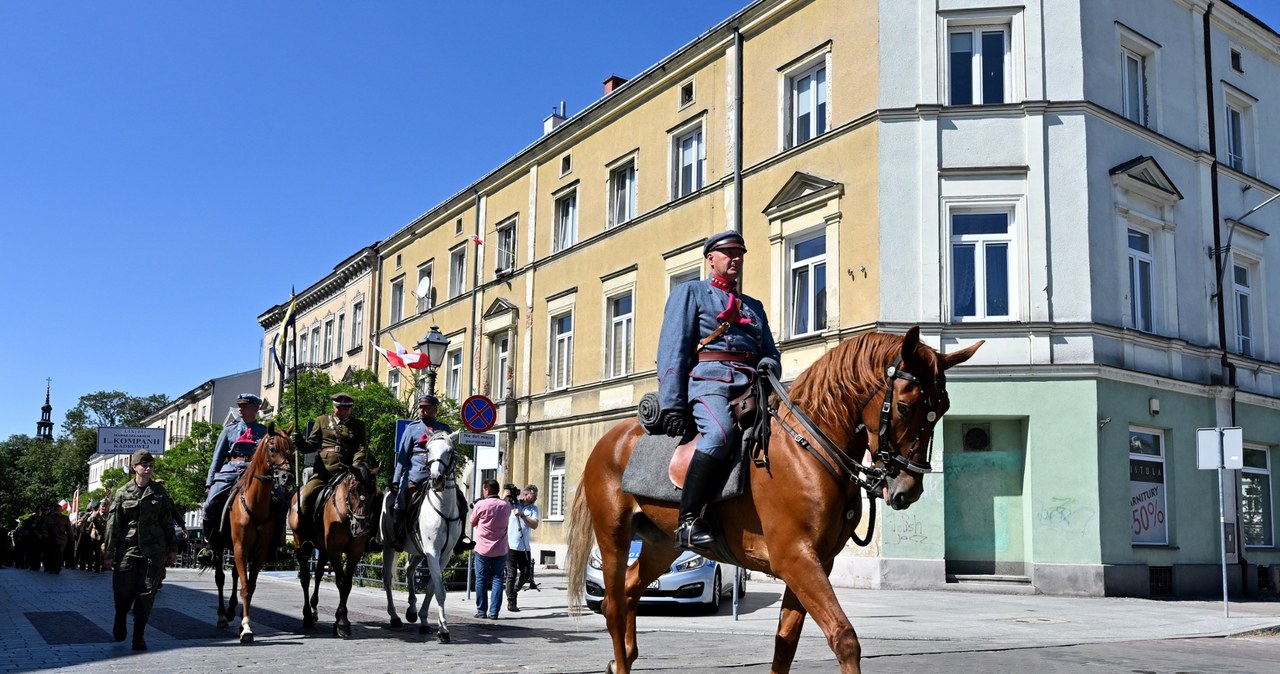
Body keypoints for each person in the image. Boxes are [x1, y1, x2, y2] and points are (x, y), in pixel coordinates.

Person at [656, 231, 780, 551]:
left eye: (740, 252)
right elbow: (673, 348)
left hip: (753, 385)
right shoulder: (692, 293)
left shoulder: (753, 307)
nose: (735, 257)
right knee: (720, 433)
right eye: (727, 252)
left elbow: (770, 352)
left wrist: (768, 366)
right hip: (710, 382)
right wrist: (672, 403)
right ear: (711, 258)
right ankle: (688, 521)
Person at [103, 449, 179, 651]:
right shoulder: (122, 492)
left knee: (147, 594)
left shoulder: (159, 492)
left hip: (153, 551)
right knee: (123, 592)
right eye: (144, 465)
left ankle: (139, 635)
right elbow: (113, 525)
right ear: (134, 467)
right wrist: (109, 553)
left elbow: (167, 524)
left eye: (151, 466)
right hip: (127, 551)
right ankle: (120, 617)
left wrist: (172, 549)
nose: (148, 469)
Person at [295, 392, 370, 541]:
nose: (343, 411)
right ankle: (305, 535)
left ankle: (371, 537)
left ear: (351, 409)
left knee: (372, 494)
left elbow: (362, 448)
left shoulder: (358, 425)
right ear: (334, 406)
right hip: (325, 470)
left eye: (346, 408)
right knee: (307, 495)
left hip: (348, 470)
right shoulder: (322, 421)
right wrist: (300, 443)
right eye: (340, 408)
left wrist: (356, 466)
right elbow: (310, 445)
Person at [202, 394, 271, 534]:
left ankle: (277, 544)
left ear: (255, 409)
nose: (240, 408)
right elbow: (217, 458)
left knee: (281, 503)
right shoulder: (229, 430)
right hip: (231, 471)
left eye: (244, 405)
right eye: (239, 405)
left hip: (256, 472)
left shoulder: (265, 432)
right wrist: (209, 483)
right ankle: (210, 541)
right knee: (209, 505)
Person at [469, 479, 511, 619]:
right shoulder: (505, 506)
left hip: (483, 548)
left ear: (486, 490)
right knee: (498, 579)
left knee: (481, 579)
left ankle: (481, 611)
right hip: (501, 547)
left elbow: (472, 522)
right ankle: (494, 612)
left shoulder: (481, 504)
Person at [504, 484, 540, 612]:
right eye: (533, 496)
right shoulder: (513, 504)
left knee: (526, 574)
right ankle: (511, 602)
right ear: (525, 495)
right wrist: (507, 495)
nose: (535, 498)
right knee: (511, 574)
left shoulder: (534, 509)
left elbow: (534, 525)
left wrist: (523, 515)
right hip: (510, 546)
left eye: (536, 496)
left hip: (524, 547)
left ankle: (513, 591)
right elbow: (501, 507)